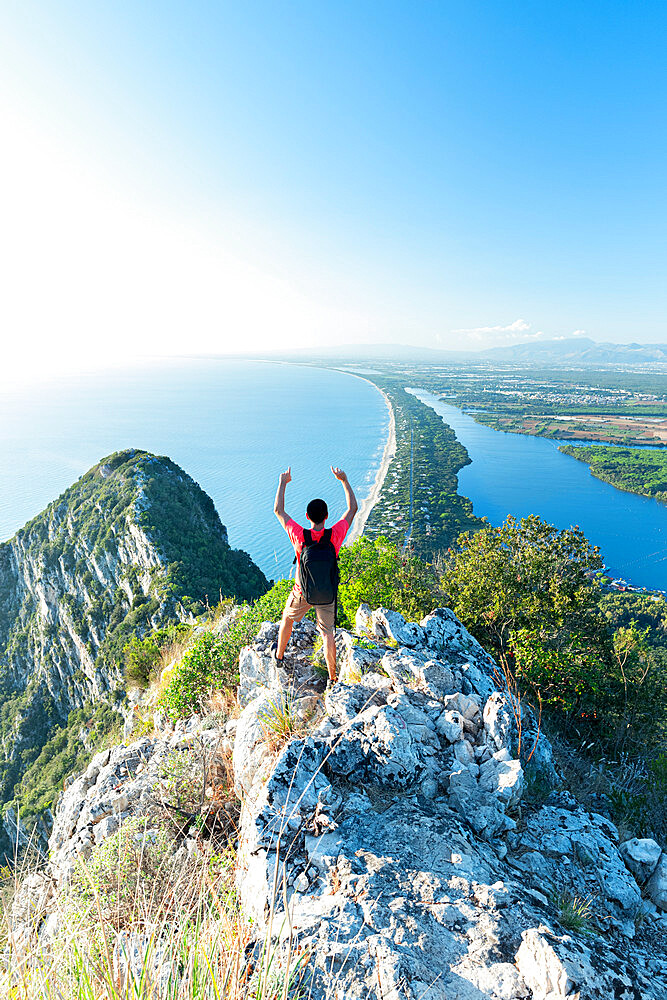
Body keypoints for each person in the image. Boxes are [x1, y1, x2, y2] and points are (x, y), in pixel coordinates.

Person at [273, 465, 358, 683]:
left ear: (307, 516)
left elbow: (279, 511)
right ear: (327, 516)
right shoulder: (335, 534)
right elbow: (352, 509)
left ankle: (279, 656)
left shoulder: (300, 535)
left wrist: (283, 483)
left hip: (302, 592)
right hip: (327, 593)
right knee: (327, 633)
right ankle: (332, 678)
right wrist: (344, 480)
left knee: (287, 619)